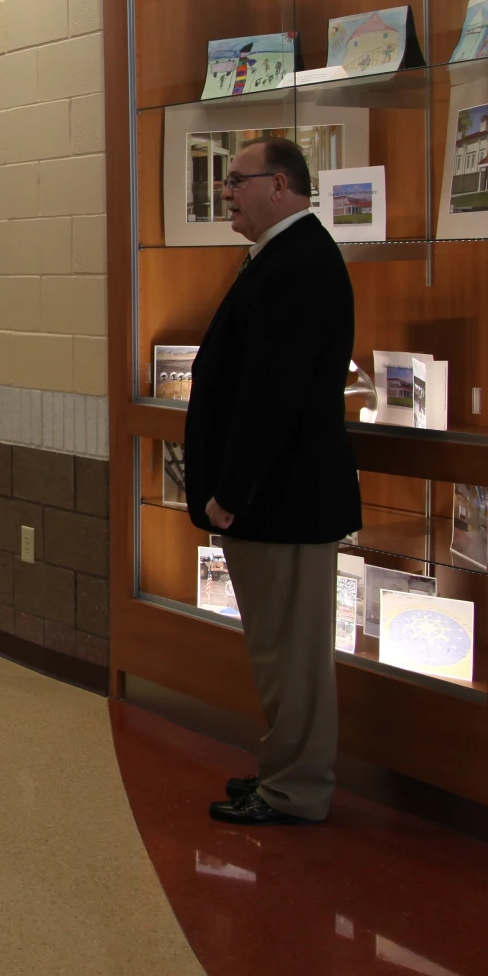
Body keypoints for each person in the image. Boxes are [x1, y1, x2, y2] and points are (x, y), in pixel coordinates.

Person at [182, 135, 361, 827]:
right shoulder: (279, 259)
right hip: (273, 502)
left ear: (280, 186)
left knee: (295, 659)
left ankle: (297, 789)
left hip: (282, 501)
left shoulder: (300, 265)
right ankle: (284, 770)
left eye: (237, 180)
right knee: (278, 653)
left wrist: (232, 491)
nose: (226, 192)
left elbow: (272, 397)